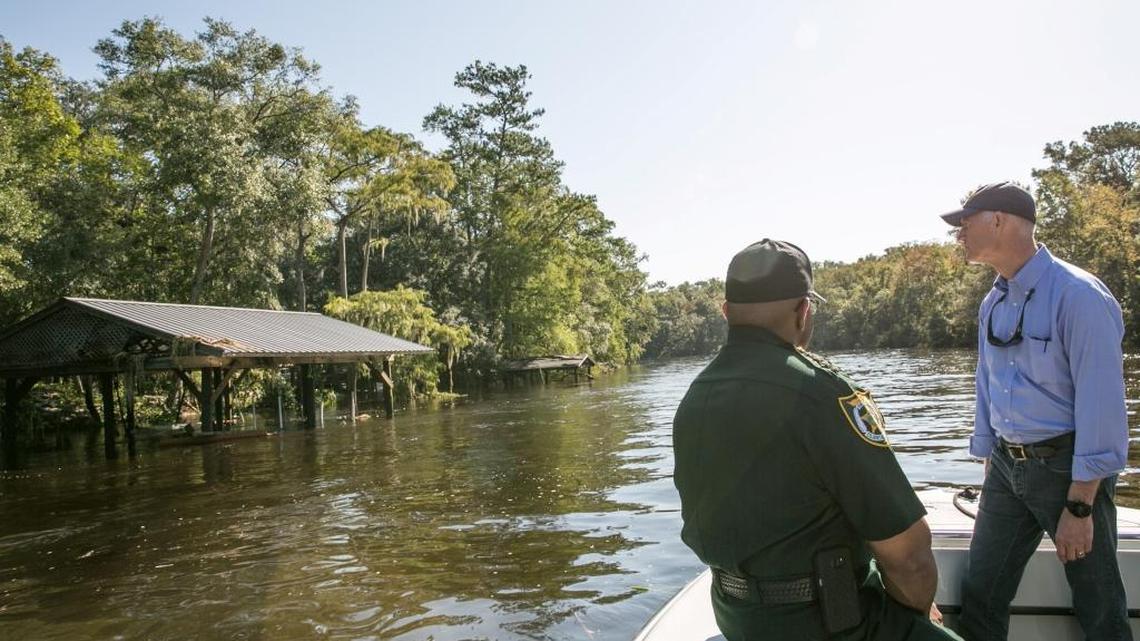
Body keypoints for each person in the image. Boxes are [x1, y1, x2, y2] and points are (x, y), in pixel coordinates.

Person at [672, 239, 960, 641]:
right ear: (804, 310)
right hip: (831, 625)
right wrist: (915, 621)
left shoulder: (695, 398)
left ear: (726, 312)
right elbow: (909, 558)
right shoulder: (821, 395)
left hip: (736, 617)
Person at [940, 182, 1132, 641]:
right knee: (982, 593)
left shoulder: (1079, 295)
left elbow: (1102, 404)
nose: (959, 235)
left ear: (1000, 221)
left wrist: (1080, 505)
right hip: (1007, 468)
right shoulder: (993, 301)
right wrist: (990, 461)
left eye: (966, 224)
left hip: (1067, 469)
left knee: (1099, 604)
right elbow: (988, 387)